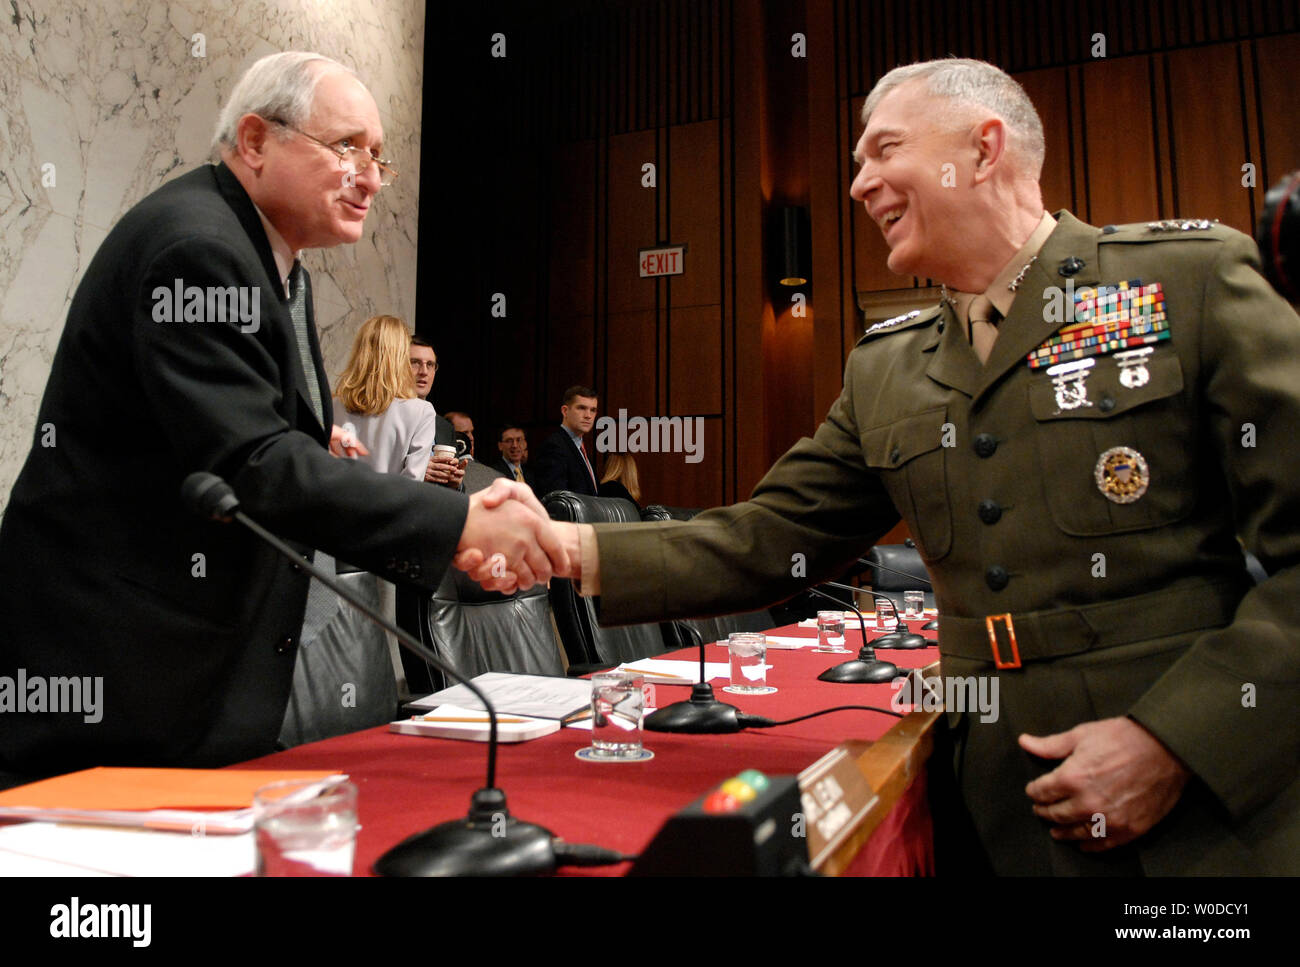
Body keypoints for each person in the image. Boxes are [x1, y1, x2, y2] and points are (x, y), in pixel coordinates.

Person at [546, 58, 1300, 875]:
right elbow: (767, 540)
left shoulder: (1181, 284)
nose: (859, 184)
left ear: (982, 150)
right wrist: (567, 549)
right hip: (988, 809)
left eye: (883, 151)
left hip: (1197, 820)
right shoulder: (888, 368)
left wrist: (1176, 739)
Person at [0, 51, 565, 777]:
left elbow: (254, 447)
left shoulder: (272, 260)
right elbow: (255, 466)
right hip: (113, 679)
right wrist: (457, 523)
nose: (370, 177)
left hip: (184, 678)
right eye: (347, 148)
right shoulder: (199, 250)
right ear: (257, 140)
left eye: (380, 158)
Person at [334, 315, 435, 480]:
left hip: (339, 503)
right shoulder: (421, 411)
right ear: (400, 357)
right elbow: (411, 484)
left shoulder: (334, 405)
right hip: (390, 504)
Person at [408, 336, 463, 488]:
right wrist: (417, 473)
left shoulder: (444, 427)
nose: (424, 371)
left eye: (430, 364)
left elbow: (458, 490)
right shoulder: (387, 417)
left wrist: (455, 485)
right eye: (415, 363)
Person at [531, 386, 599, 498]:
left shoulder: (579, 447)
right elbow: (556, 500)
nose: (588, 415)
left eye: (593, 410)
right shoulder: (553, 446)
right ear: (565, 411)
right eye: (581, 408)